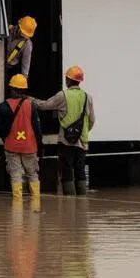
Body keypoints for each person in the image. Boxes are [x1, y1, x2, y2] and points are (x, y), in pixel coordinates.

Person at [34, 65, 95, 196]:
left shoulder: (63, 95)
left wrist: (30, 100)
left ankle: (70, 203)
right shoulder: (87, 97)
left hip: (66, 140)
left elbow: (44, 106)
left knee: (67, 170)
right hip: (82, 141)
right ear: (79, 81)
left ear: (68, 79)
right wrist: (82, 131)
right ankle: (82, 203)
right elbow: (92, 120)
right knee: (80, 170)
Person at [0, 73, 42, 210]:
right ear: (24, 90)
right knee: (32, 173)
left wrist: (5, 137)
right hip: (29, 146)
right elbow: (37, 128)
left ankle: (17, 206)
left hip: (11, 146)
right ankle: (36, 203)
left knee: (15, 174)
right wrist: (39, 144)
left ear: (12, 89)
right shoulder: (31, 106)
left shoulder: (3, 106)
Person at [5, 16, 36, 81]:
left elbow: (26, 62)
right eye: (23, 33)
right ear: (19, 26)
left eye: (26, 34)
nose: (24, 36)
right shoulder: (9, 29)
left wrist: (24, 78)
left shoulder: (27, 44)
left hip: (11, 69)